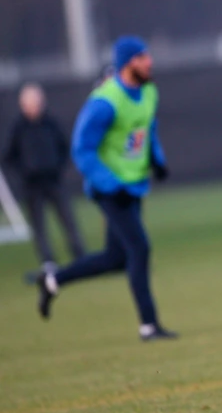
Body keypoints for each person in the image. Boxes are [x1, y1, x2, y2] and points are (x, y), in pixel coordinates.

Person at [36, 36, 178, 342]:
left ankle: (52, 281)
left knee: (116, 258)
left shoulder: (149, 91)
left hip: (133, 185)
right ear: (127, 64)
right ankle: (149, 326)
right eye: (142, 58)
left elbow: (146, 128)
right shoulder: (105, 101)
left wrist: (157, 160)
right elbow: (82, 150)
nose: (149, 62)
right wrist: (111, 185)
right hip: (110, 190)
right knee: (139, 248)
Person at [3, 83, 86, 270]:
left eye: (37, 101)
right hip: (32, 185)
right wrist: (24, 173)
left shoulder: (51, 123)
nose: (34, 106)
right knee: (39, 226)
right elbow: (9, 156)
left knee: (68, 220)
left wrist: (58, 167)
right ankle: (48, 261)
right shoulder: (18, 128)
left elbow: (64, 146)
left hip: (53, 180)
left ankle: (80, 255)